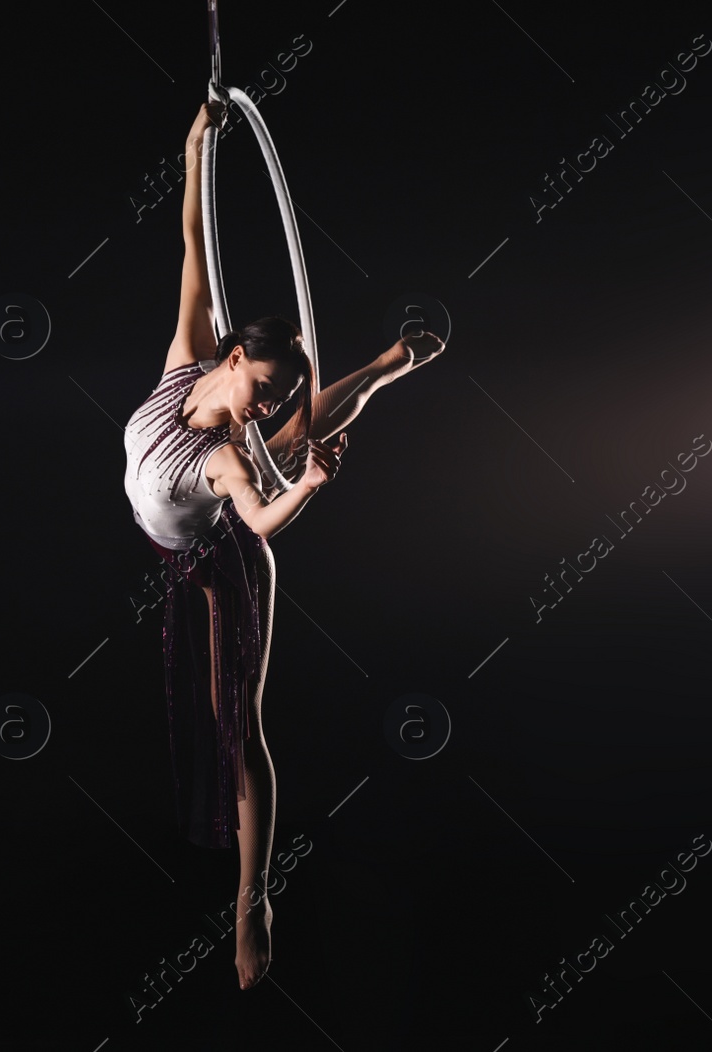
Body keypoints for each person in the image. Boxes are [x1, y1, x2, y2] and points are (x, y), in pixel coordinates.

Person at [121, 98, 445, 992]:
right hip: (178, 538)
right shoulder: (185, 357)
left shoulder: (231, 456)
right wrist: (195, 146)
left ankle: (250, 898)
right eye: (260, 386)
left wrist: (299, 488)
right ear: (228, 355)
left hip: (224, 560)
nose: (261, 406)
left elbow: (258, 523)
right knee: (296, 435)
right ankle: (381, 367)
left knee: (239, 731)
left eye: (272, 395)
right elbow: (194, 239)